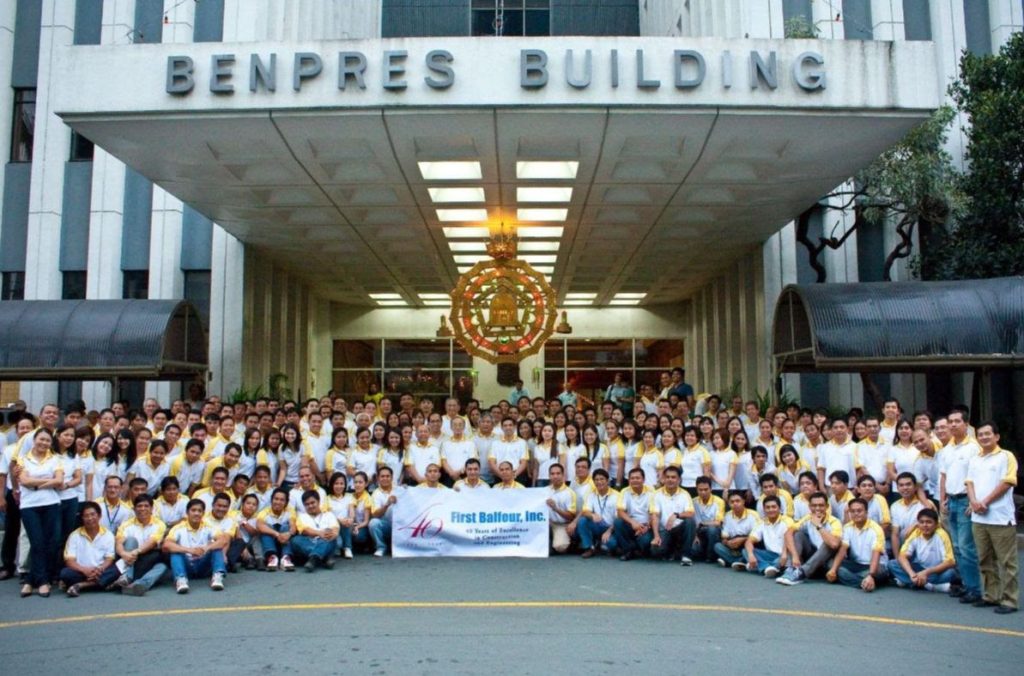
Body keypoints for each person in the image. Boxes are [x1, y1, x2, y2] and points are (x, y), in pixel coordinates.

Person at [965, 421, 1018, 614]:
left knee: (1007, 561)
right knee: (984, 559)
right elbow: (969, 483)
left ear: (997, 436)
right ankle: (991, 595)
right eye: (980, 434)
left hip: (1000, 518)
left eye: (988, 434)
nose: (984, 437)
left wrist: (984, 502)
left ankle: (1010, 600)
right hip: (979, 519)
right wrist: (973, 502)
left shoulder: (1006, 456)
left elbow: (1007, 482)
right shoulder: (975, 459)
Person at [938, 410, 983, 604]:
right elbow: (944, 477)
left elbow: (979, 477)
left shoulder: (974, 448)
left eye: (957, 421)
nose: (953, 425)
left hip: (966, 501)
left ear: (966, 424)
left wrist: (974, 501)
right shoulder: (946, 449)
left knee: (967, 547)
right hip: (951, 501)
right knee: (956, 547)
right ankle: (966, 584)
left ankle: (975, 589)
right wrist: (942, 501)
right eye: (951, 422)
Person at [16, 428, 65, 597]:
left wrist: (35, 484)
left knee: (51, 542)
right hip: (29, 506)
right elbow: (23, 481)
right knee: (36, 543)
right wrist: (47, 481)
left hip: (51, 503)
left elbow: (59, 481)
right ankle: (43, 581)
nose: (44, 443)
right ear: (34, 439)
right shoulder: (23, 459)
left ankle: (31, 581)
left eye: (47, 440)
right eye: (41, 439)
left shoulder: (56, 459)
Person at [777, 491, 843, 586]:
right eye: (814, 505)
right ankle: (793, 568)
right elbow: (788, 533)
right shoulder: (807, 518)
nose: (817, 508)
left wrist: (818, 526)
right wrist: (795, 556)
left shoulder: (834, 521)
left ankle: (802, 572)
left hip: (827, 559)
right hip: (812, 557)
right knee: (798, 534)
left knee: (828, 542)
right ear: (809, 507)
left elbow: (834, 544)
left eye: (821, 505)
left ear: (827, 506)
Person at [162, 498, 227, 593]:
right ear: (187, 512)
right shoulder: (178, 528)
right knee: (175, 552)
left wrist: (206, 548)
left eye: (199, 511)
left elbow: (223, 540)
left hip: (203, 565)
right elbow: (166, 545)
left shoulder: (208, 526)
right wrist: (189, 550)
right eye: (193, 510)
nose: (196, 513)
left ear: (203, 513)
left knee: (216, 547)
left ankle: (217, 577)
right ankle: (181, 580)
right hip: (187, 565)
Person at [887, 508, 957, 593]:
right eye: (922, 522)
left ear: (936, 524)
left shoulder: (941, 534)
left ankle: (911, 583)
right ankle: (929, 586)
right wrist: (912, 574)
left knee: (951, 573)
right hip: (920, 568)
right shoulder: (916, 533)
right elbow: (902, 556)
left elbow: (950, 562)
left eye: (929, 522)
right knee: (892, 564)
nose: (925, 525)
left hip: (937, 571)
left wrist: (926, 572)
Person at [826, 498, 889, 592]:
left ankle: (867, 579)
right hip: (856, 564)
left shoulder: (876, 529)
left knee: (878, 572)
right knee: (831, 564)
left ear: (866, 512)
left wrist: (871, 575)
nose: (856, 513)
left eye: (859, 511)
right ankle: (866, 582)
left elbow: (876, 554)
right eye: (853, 511)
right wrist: (834, 570)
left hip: (876, 566)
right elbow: (843, 550)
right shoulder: (847, 527)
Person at [60, 500, 119, 597]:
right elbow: (69, 561)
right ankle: (101, 584)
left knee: (117, 569)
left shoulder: (108, 535)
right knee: (65, 573)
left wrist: (100, 569)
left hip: (100, 571)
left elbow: (109, 559)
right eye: (86, 516)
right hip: (81, 572)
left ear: (99, 516)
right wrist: (84, 570)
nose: (90, 518)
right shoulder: (75, 535)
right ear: (82, 518)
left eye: (92, 514)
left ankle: (81, 585)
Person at [113, 494, 169, 596]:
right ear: (134, 509)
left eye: (146, 506)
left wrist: (137, 551)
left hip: (146, 559)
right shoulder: (126, 524)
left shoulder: (160, 524)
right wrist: (123, 554)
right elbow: (119, 542)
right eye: (139, 506)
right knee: (131, 540)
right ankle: (126, 577)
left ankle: (136, 585)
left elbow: (152, 542)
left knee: (162, 566)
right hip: (128, 562)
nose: (142, 509)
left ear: (152, 508)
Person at [649, 466, 698, 565]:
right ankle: (673, 550)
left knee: (690, 521)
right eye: (667, 477)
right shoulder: (656, 494)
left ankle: (686, 556)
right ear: (663, 479)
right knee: (656, 551)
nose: (670, 480)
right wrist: (656, 536)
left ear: (679, 480)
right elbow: (655, 516)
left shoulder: (685, 494)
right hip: (665, 530)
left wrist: (676, 515)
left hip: (680, 530)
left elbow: (690, 513)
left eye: (673, 477)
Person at [743, 495, 794, 578]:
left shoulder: (787, 520)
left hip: (785, 554)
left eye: (774, 507)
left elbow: (789, 537)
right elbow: (749, 541)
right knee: (746, 550)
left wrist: (784, 554)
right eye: (768, 507)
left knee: (782, 560)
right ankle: (767, 568)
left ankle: (760, 566)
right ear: (764, 509)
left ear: (779, 508)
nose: (771, 510)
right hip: (770, 554)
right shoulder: (761, 523)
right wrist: (751, 555)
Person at [614, 468, 656, 561]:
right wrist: (633, 523)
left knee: (645, 542)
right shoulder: (624, 491)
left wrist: (647, 526)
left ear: (643, 479)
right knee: (618, 522)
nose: (635, 480)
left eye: (638, 478)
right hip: (630, 524)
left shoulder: (651, 492)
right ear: (629, 480)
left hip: (646, 526)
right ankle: (628, 551)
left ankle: (637, 549)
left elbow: (653, 513)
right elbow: (620, 511)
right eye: (632, 478)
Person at [293, 490, 340, 572]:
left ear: (318, 502)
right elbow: (304, 530)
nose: (310, 506)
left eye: (312, 503)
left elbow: (335, 529)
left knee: (331, 539)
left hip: (325, 540)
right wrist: (319, 533)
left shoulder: (329, 515)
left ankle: (314, 559)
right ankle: (325, 557)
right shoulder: (301, 517)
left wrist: (332, 534)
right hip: (309, 542)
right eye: (307, 504)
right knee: (295, 540)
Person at [577, 469, 619, 558]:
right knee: (583, 521)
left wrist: (609, 531)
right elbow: (585, 511)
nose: (599, 482)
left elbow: (619, 518)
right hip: (597, 525)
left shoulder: (617, 496)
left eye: (602, 479)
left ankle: (601, 543)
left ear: (607, 481)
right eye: (596, 480)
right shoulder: (591, 495)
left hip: (612, 528)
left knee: (611, 545)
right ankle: (589, 548)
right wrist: (592, 515)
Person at [713, 492, 760, 569]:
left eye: (738, 501)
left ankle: (731, 561)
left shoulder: (754, 515)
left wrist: (742, 539)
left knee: (746, 551)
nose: (735, 504)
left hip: (749, 543)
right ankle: (740, 561)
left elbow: (757, 536)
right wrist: (728, 543)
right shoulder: (727, 515)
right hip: (734, 546)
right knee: (717, 546)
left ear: (743, 501)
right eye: (732, 502)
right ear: (729, 504)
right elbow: (724, 536)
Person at [257, 488, 297, 571]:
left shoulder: (290, 510)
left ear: (286, 502)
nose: (278, 502)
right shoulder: (264, 512)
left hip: (285, 541)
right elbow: (259, 526)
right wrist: (277, 534)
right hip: (270, 542)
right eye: (276, 499)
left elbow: (293, 526)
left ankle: (286, 557)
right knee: (265, 529)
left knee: (286, 527)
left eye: (282, 500)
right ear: (272, 500)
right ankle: (272, 557)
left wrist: (289, 534)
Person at [370, 466, 403, 556]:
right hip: (387, 526)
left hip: (401, 525)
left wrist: (407, 490)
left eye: (388, 476)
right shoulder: (375, 493)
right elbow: (375, 515)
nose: (385, 478)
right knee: (373, 523)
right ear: (378, 478)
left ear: (392, 478)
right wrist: (387, 504)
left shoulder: (400, 490)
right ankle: (381, 547)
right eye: (382, 476)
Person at [545, 464, 578, 554]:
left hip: (563, 524)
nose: (555, 476)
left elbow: (571, 517)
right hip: (548, 523)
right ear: (549, 476)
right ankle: (549, 541)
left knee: (561, 547)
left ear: (563, 475)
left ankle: (569, 542)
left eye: (558, 473)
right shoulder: (544, 491)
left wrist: (555, 508)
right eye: (552, 474)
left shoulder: (569, 493)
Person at [693, 477, 726, 563]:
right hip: (698, 531)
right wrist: (694, 535)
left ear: (711, 489)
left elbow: (718, 522)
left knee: (712, 529)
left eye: (706, 489)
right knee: (694, 550)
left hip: (713, 530)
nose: (703, 492)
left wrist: (702, 523)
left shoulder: (719, 501)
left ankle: (711, 556)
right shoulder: (693, 502)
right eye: (700, 490)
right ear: (696, 490)